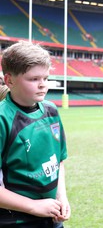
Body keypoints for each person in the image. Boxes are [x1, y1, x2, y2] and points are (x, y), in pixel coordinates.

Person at [0, 41, 70, 227]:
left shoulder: (51, 110)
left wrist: (61, 197)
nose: (42, 85)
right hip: (17, 221)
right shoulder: (2, 119)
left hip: (52, 217)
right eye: (33, 79)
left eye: (45, 78)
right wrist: (33, 206)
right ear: (9, 80)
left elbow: (58, 161)